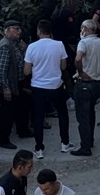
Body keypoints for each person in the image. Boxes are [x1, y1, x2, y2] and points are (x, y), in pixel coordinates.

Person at [24, 20, 71, 160]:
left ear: (39, 31)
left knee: (38, 117)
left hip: (38, 86)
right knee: (63, 114)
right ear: (50, 31)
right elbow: (63, 67)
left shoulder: (31, 47)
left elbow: (26, 71)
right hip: (55, 85)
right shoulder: (59, 45)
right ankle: (65, 143)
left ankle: (39, 148)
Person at [0, 21, 32, 150]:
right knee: (6, 113)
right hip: (7, 86)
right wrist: (6, 88)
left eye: (20, 29)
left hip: (16, 83)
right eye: (16, 29)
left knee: (21, 106)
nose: (19, 32)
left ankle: (23, 131)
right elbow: (1, 70)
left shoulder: (15, 44)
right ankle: (3, 140)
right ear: (7, 30)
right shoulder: (5, 46)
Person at [71, 19, 100, 156]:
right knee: (90, 112)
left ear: (85, 29)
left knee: (83, 116)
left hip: (85, 83)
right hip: (97, 83)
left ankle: (85, 147)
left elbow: (78, 59)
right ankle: (90, 140)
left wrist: (81, 73)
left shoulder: (84, 42)